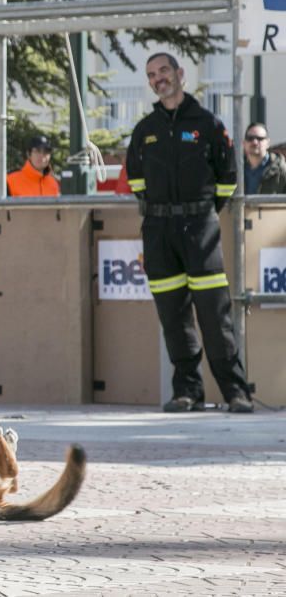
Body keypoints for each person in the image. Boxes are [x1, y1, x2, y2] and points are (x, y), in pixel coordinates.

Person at [125, 52, 253, 414]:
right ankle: (188, 392)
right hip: (159, 232)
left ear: (180, 73)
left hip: (200, 230)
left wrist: (201, 214)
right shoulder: (144, 131)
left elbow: (227, 179)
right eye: (151, 74)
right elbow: (136, 181)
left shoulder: (208, 124)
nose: (158, 78)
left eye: (164, 70)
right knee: (174, 317)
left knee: (215, 316)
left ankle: (235, 392)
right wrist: (163, 216)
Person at [242, 122, 286, 195]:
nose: (255, 142)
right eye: (250, 138)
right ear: (244, 143)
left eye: (260, 139)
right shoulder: (235, 171)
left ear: (268, 143)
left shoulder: (282, 171)